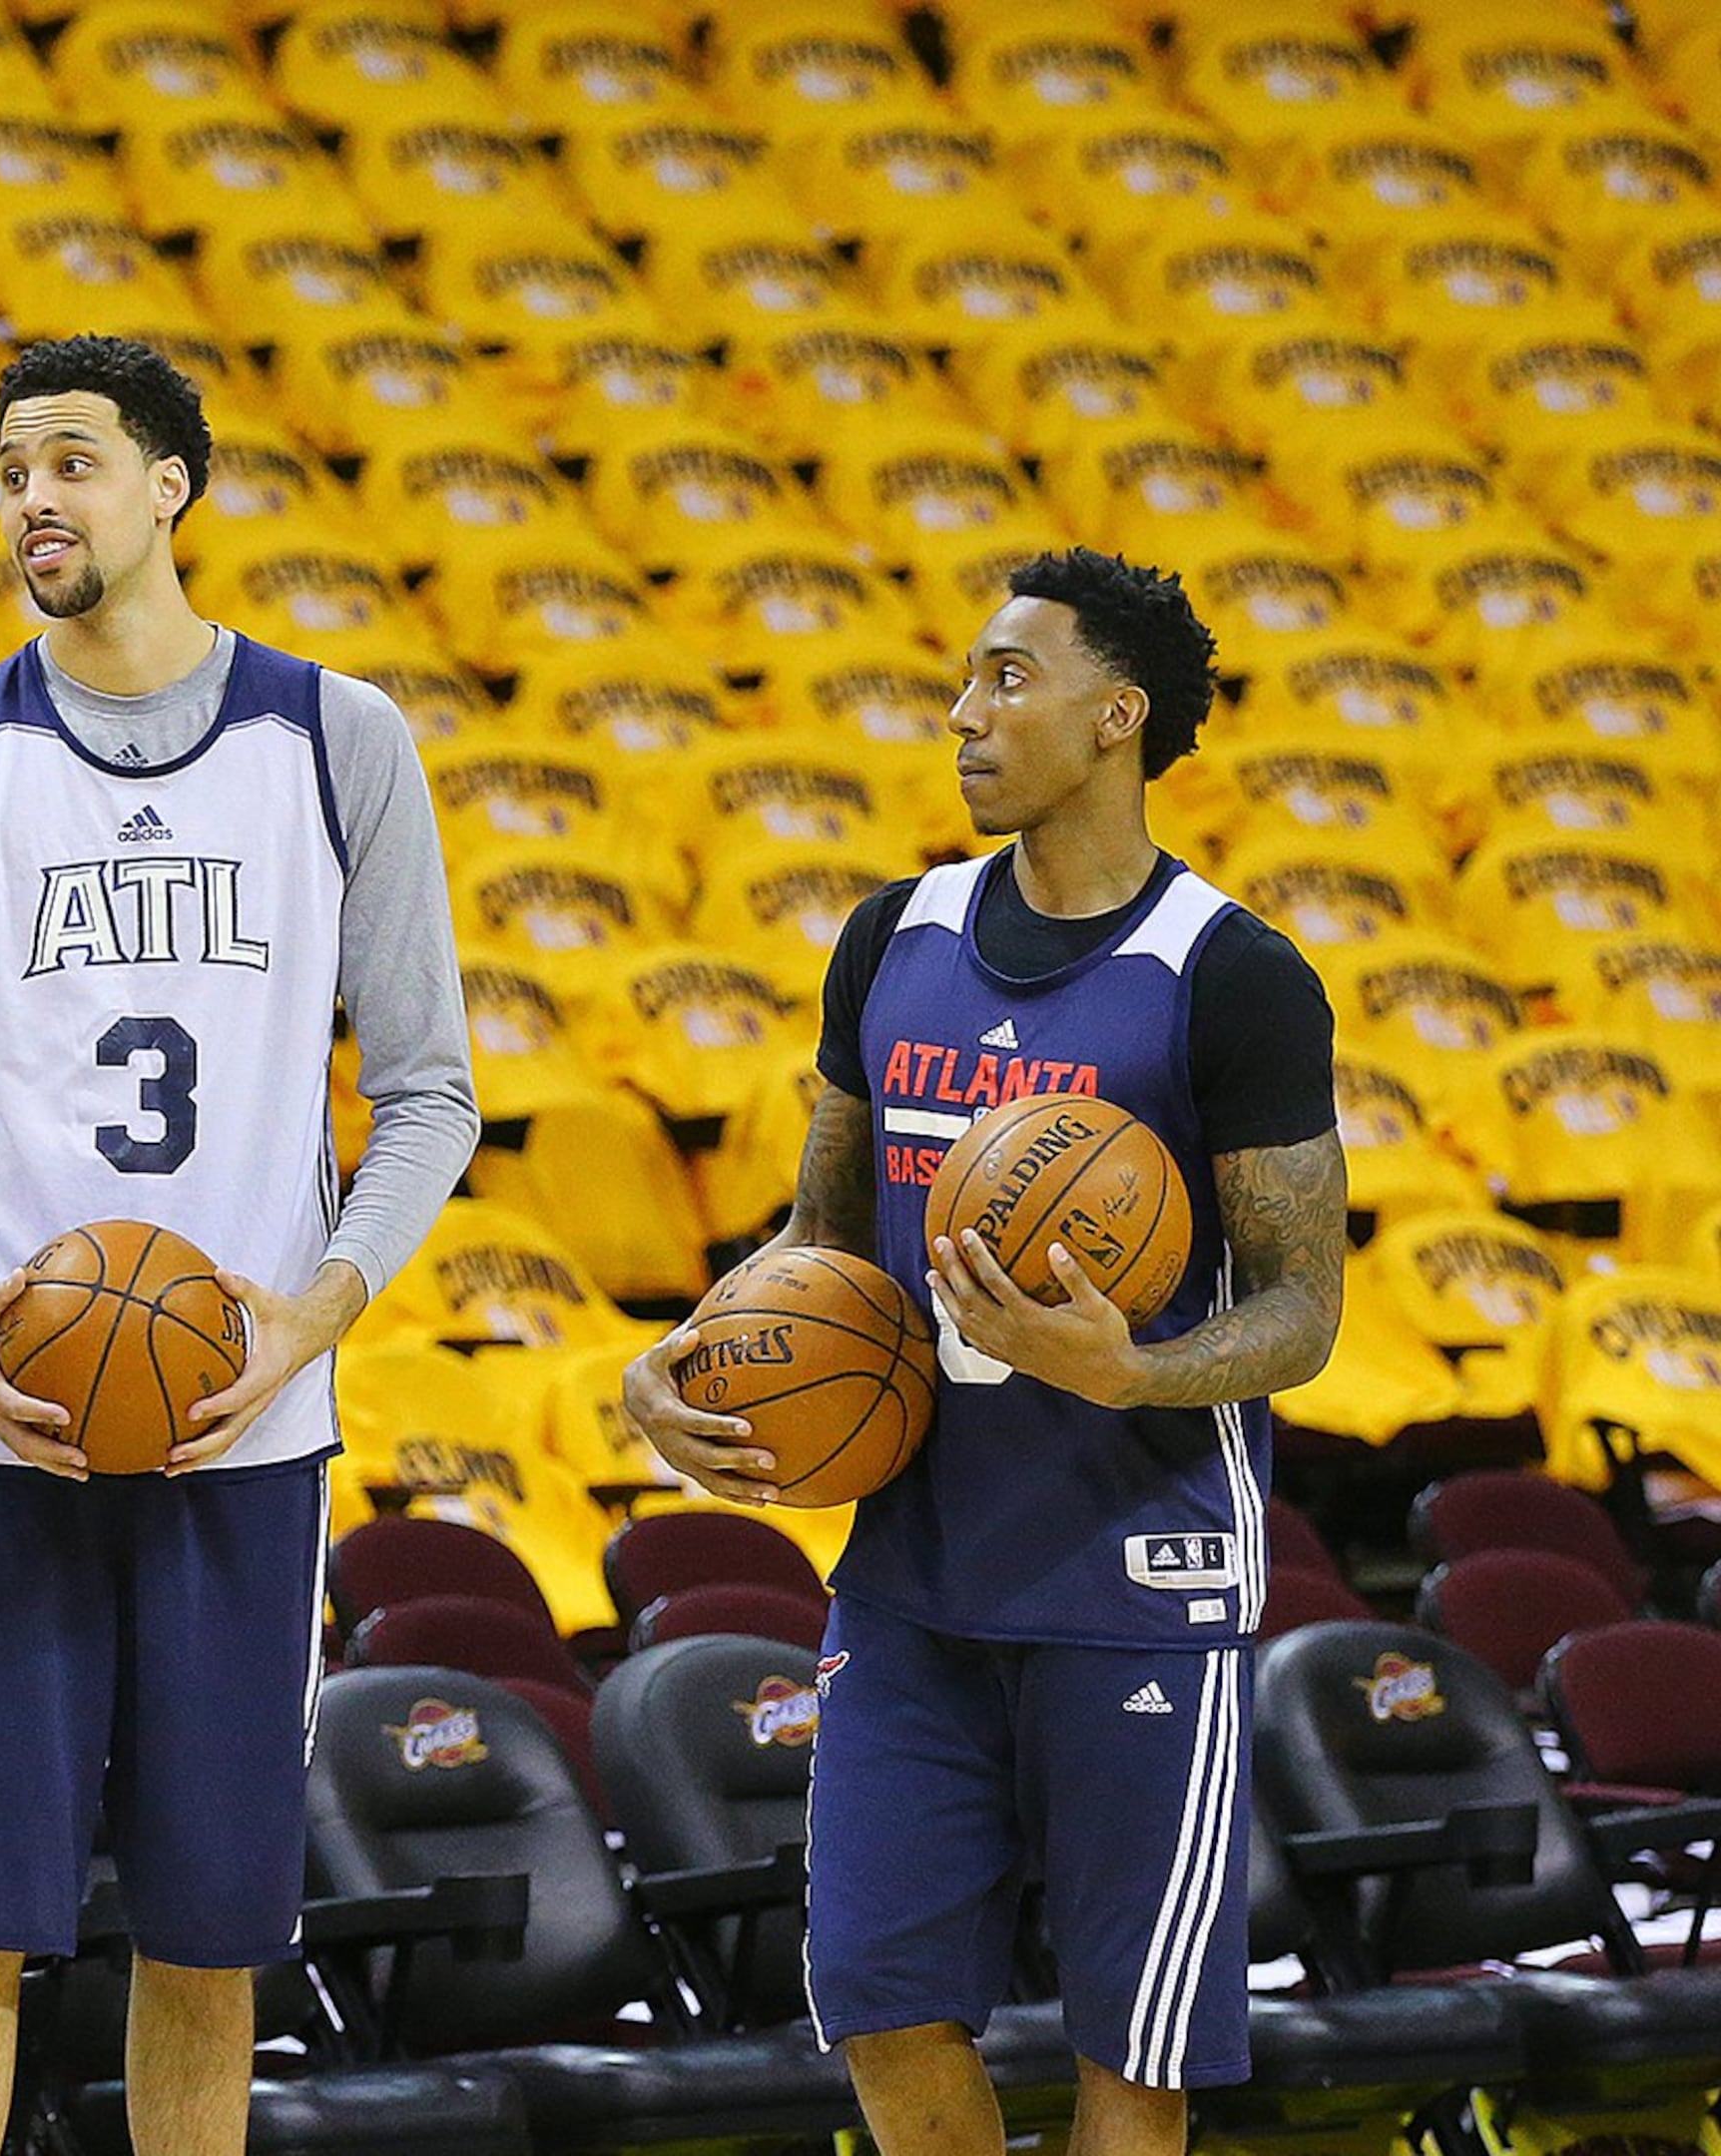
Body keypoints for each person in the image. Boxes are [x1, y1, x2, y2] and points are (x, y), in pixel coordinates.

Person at [0, 335, 478, 2156]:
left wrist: (314, 1319)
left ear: (173, 484)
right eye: (10, 467)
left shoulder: (338, 740)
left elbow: (428, 1095)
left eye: (75, 461)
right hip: (3, 1426)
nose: (34, 496)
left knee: (209, 1940)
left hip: (245, 1429)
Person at [622, 549, 1347, 2155]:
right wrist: (677, 1359)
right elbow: (814, 1242)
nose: (961, 714)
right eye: (964, 681)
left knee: (1131, 2059)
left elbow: (1306, 1309)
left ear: (1117, 718)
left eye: (1006, 680)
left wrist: (1132, 1370)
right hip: (912, 1572)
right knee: (875, 2000)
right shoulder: (894, 939)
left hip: (1135, 1578)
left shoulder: (1229, 973)